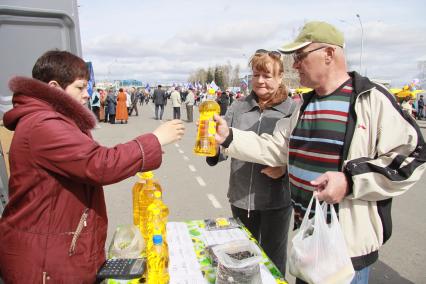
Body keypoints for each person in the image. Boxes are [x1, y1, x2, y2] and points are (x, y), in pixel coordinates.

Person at [213, 21, 426, 284]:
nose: (295, 65)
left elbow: (413, 156)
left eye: (301, 56)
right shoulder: (306, 106)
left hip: (346, 252)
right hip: (310, 240)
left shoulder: (370, 98)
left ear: (329, 54)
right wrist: (229, 137)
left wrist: (350, 181)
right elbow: (276, 147)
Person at [0, 50, 185, 283]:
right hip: (45, 260)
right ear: (55, 87)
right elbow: (100, 164)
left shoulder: (50, 119)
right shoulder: (43, 123)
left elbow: (89, 158)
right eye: (80, 87)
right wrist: (154, 140)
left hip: (54, 248)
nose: (87, 94)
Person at [206, 49, 296, 274]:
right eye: (256, 75)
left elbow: (301, 155)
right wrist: (212, 148)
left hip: (275, 202)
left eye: (267, 75)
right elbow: (224, 144)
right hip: (240, 198)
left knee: (273, 261)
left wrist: (285, 169)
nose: (260, 81)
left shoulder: (291, 111)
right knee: (242, 260)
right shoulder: (238, 107)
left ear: (280, 77)